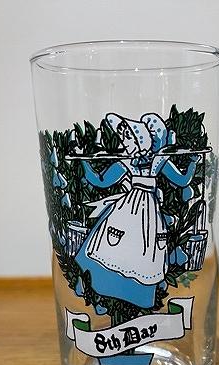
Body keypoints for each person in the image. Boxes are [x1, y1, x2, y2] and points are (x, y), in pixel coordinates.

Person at [75, 113, 200, 309]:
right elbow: (101, 181)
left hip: (148, 216)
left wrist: (193, 162)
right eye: (123, 137)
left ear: (141, 140)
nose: (123, 142)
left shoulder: (158, 162)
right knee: (112, 244)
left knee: (144, 253)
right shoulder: (126, 162)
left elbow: (182, 180)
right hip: (127, 211)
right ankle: (103, 290)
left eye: (127, 137)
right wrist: (83, 161)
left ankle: (140, 300)